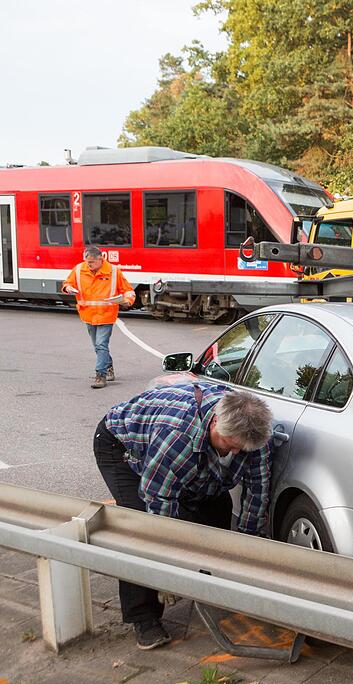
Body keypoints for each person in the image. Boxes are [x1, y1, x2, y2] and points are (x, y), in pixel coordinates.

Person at [94, 382, 274, 650]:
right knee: (139, 526)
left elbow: (257, 491)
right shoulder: (177, 437)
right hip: (122, 447)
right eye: (229, 445)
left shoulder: (252, 435)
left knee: (217, 508)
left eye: (241, 450)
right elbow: (160, 507)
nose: (235, 453)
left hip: (184, 455)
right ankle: (144, 617)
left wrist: (248, 545)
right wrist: (164, 568)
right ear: (214, 424)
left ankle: (209, 589)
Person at [61, 246, 135, 389]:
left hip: (106, 314)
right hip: (88, 314)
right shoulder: (79, 269)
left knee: (101, 344)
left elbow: (128, 290)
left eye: (92, 262)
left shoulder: (113, 271)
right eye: (87, 262)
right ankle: (108, 367)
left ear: (101, 259)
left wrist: (127, 301)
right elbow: (67, 283)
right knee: (98, 346)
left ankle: (100, 376)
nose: (89, 265)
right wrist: (68, 288)